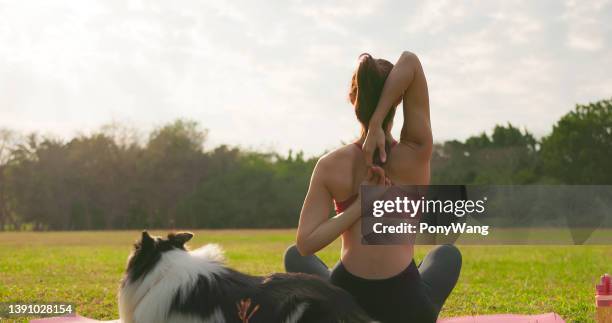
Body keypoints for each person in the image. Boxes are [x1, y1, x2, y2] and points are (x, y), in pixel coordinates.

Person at [284, 51, 462, 323]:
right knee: (447, 253)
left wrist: (357, 209)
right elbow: (410, 61)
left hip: (345, 306)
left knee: (294, 256)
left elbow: (306, 245)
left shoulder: (330, 165)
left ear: (353, 99)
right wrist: (379, 121)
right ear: (398, 99)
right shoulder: (414, 153)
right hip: (408, 309)